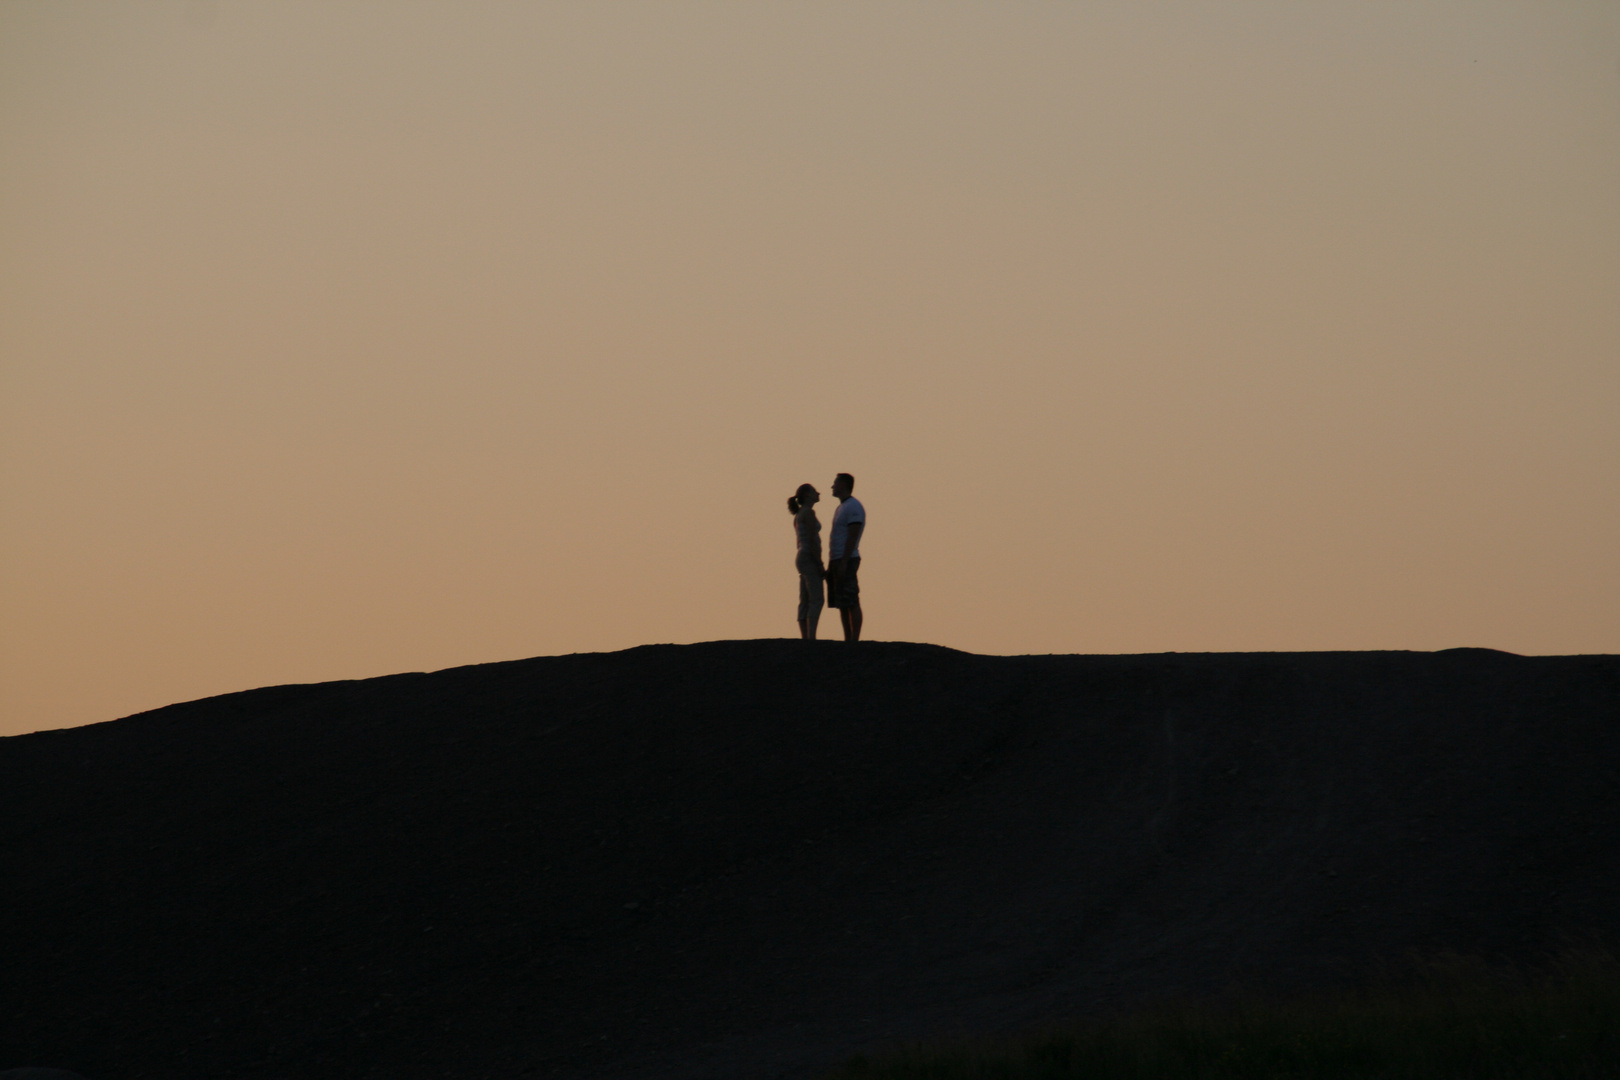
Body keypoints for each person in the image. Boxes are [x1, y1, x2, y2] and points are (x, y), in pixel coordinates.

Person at [826, 472, 865, 642]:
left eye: (835, 483)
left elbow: (853, 535)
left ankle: (854, 639)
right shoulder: (841, 507)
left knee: (851, 599)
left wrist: (844, 561)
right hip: (837, 558)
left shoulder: (853, 506)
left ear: (844, 484)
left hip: (846, 559)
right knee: (842, 601)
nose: (832, 486)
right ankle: (847, 638)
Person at [787, 483, 824, 641]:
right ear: (808, 495)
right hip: (808, 557)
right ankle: (811, 637)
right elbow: (811, 540)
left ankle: (805, 637)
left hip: (802, 557)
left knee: (805, 599)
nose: (818, 493)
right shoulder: (808, 513)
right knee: (816, 598)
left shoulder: (799, 514)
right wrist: (820, 564)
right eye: (815, 491)